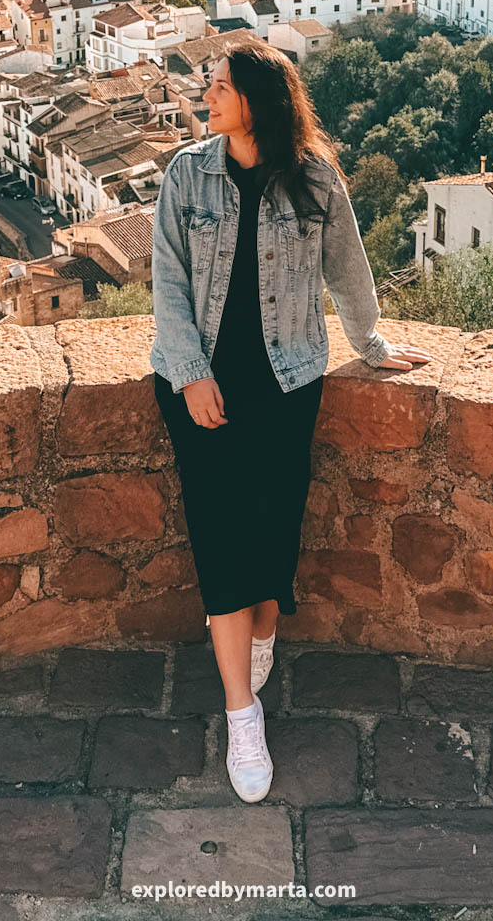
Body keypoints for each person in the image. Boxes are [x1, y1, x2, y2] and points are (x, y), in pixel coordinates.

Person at [150, 43, 431, 803]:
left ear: (259, 100)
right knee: (222, 538)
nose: (204, 96)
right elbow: (168, 282)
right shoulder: (187, 173)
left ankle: (265, 632)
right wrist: (190, 374)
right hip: (202, 384)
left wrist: (371, 344)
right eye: (207, 84)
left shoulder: (313, 177)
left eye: (219, 86)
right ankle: (243, 714)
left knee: (274, 531)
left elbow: (348, 268)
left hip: (288, 379)